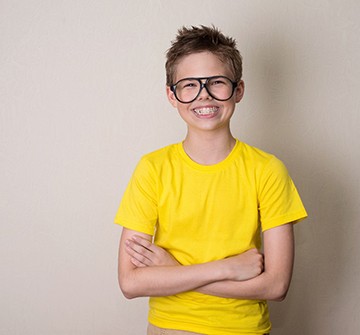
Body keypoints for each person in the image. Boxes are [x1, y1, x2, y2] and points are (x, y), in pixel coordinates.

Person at [115, 25, 307, 335]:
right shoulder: (152, 168)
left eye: (216, 82)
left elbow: (276, 285)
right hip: (169, 328)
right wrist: (227, 268)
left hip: (243, 329)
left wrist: (175, 273)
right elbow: (130, 282)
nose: (203, 95)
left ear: (238, 89)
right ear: (171, 95)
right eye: (189, 84)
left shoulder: (268, 170)